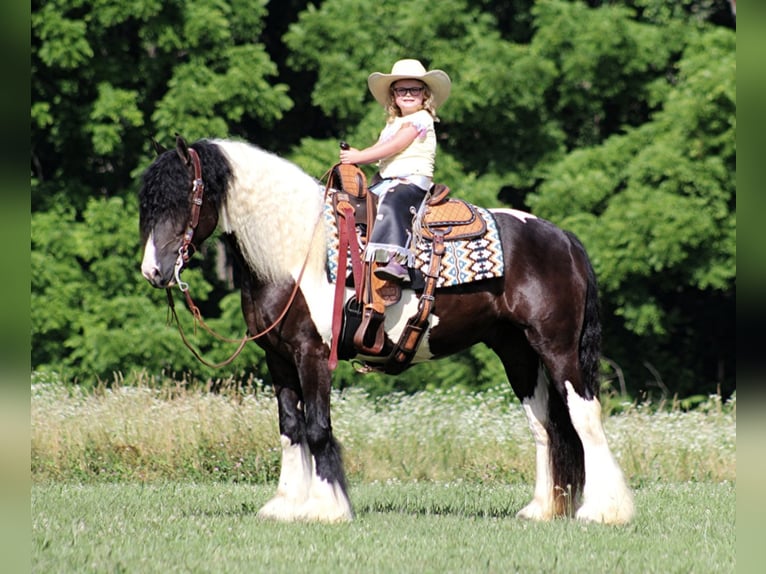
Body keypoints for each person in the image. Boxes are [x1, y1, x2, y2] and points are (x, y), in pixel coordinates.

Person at [340, 59, 451, 284]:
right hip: (386, 180)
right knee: (357, 203)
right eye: (401, 90)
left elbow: (396, 145)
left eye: (414, 89)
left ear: (424, 95)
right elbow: (380, 149)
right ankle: (354, 256)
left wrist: (358, 157)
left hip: (411, 180)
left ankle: (396, 261)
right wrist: (359, 154)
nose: (408, 94)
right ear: (394, 95)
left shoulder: (421, 118)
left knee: (393, 201)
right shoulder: (392, 123)